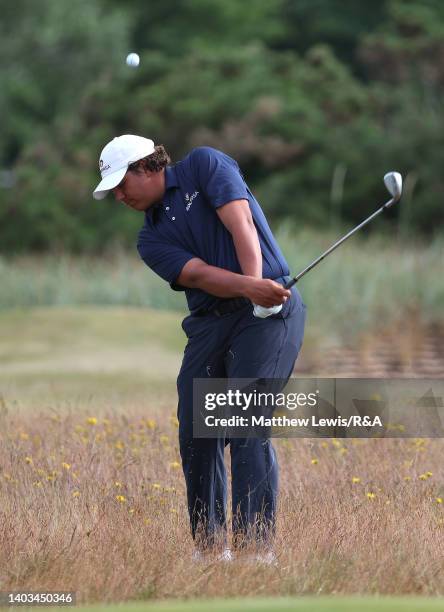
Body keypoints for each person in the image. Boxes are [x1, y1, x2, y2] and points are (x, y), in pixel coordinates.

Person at [93, 134, 306, 562]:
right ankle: (209, 552)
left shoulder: (205, 166)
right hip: (212, 321)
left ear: (146, 167)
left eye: (121, 184)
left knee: (246, 422)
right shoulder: (149, 240)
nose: (119, 195)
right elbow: (201, 275)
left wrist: (258, 289)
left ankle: (254, 553)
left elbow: (240, 223)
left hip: (270, 311)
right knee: (196, 431)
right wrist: (250, 288)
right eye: (113, 189)